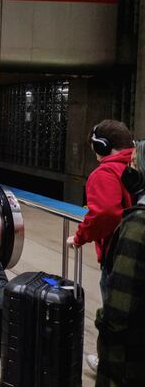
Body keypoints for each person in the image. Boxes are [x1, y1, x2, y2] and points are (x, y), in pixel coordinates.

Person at [66, 119, 134, 373]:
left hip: (121, 257)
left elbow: (104, 213)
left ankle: (110, 364)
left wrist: (80, 237)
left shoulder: (105, 173)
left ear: (103, 146)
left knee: (115, 317)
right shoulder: (136, 167)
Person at [94, 140, 145, 386]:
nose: (130, 170)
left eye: (134, 164)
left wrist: (105, 327)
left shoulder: (137, 225)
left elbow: (120, 307)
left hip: (130, 359)